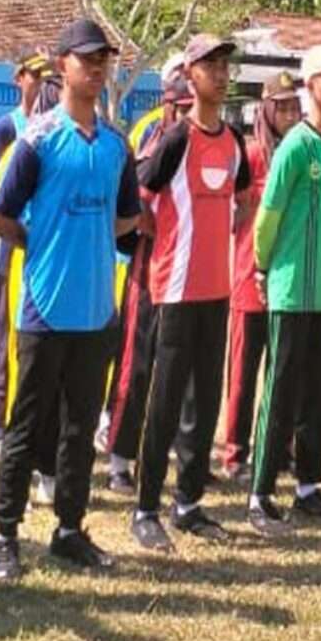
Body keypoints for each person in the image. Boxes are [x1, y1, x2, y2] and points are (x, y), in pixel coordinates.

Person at [0, 18, 141, 581]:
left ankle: (69, 530)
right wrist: (41, 241)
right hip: (44, 309)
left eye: (104, 58)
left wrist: (98, 240)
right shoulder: (38, 139)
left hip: (96, 310)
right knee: (27, 425)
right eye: (86, 58)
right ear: (62, 66)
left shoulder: (116, 146)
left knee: (80, 430)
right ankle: (4, 535)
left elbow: (128, 217)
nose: (96, 67)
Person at [129, 35, 252, 551]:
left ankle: (190, 503)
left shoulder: (234, 141)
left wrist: (217, 233)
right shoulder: (175, 137)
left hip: (216, 289)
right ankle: (145, 507)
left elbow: (243, 200)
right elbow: (140, 193)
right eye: (210, 66)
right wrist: (168, 241)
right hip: (174, 291)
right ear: (190, 76)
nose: (221, 75)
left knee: (204, 403)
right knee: (164, 401)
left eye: (225, 66)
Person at [246, 45, 321, 536]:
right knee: (281, 392)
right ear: (310, 86)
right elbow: (268, 214)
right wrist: (261, 266)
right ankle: (260, 491)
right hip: (290, 289)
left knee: (315, 392)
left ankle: (309, 487)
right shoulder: (296, 145)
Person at [102, 68, 188, 493]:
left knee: (177, 371)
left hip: (189, 273)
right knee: (135, 367)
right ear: (168, 103)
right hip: (149, 266)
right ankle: (118, 456)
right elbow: (133, 194)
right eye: (182, 105)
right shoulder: (152, 140)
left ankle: (172, 453)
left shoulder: (210, 142)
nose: (188, 114)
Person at [218, 71, 302, 482]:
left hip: (288, 281)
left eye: (293, 106)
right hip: (250, 278)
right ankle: (235, 453)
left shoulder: (303, 153)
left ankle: (279, 447)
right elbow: (232, 214)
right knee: (244, 371)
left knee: (283, 370)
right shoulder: (250, 156)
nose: (288, 114)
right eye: (281, 107)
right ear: (266, 111)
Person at [0, 52, 54, 447]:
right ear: (19, 77)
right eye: (36, 76)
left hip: (50, 256)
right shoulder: (7, 129)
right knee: (9, 340)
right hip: (13, 254)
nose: (42, 84)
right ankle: (3, 427)